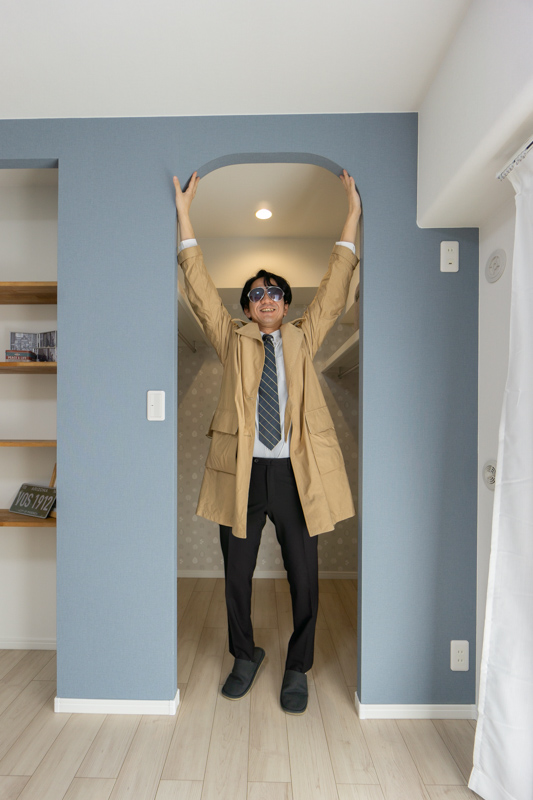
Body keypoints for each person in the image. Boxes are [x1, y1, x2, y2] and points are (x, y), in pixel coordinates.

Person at [174, 169, 360, 714]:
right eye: (255, 294)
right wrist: (184, 214)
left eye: (274, 291)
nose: (266, 299)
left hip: (296, 474)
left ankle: (298, 666)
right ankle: (245, 654)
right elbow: (200, 290)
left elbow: (335, 288)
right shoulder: (231, 341)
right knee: (237, 574)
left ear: (286, 302)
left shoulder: (304, 336)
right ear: (247, 307)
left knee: (305, 575)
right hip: (244, 473)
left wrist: (352, 214)